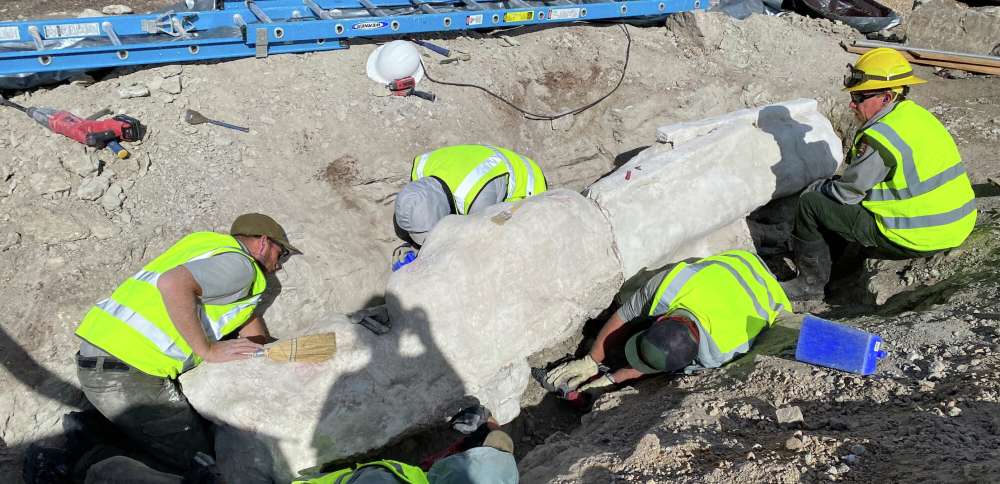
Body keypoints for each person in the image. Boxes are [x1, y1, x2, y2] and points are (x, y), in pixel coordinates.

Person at [73, 213, 299, 473]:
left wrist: (274, 354)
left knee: (186, 441)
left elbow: (249, 326)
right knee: (201, 465)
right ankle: (86, 461)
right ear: (262, 242)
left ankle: (99, 436)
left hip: (107, 355)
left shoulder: (206, 249)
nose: (280, 265)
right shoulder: (242, 267)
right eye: (280, 254)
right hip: (128, 370)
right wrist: (208, 350)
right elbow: (174, 284)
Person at [781, 47, 976, 300]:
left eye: (860, 97)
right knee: (834, 198)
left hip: (917, 234)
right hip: (957, 224)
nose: (852, 103)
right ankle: (838, 265)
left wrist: (819, 188)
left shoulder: (881, 138)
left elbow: (846, 194)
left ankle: (808, 287)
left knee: (811, 204)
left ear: (886, 97)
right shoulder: (917, 116)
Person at [545, 250, 791, 394]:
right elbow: (625, 314)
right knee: (633, 291)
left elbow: (663, 364)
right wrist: (591, 360)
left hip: (774, 296)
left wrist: (613, 379)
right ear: (661, 318)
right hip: (740, 261)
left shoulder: (719, 355)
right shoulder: (670, 286)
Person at [392, 144, 547, 269]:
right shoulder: (421, 169)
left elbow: (476, 246)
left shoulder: (476, 199)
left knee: (503, 243)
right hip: (480, 164)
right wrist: (415, 245)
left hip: (527, 182)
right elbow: (417, 209)